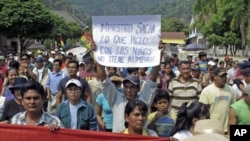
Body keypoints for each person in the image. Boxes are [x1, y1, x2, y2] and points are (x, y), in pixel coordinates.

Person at [94, 41, 164, 132]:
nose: (128, 90)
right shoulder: (116, 99)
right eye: (126, 87)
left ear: (138, 89)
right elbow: (104, 78)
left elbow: (153, 77)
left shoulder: (144, 99)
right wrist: (97, 53)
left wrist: (159, 55)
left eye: (132, 87)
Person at [199, 67, 236, 133]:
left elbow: (233, 109)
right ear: (215, 77)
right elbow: (203, 113)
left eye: (225, 76)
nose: (224, 78)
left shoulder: (230, 90)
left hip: (226, 130)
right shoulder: (207, 91)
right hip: (212, 130)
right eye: (222, 76)